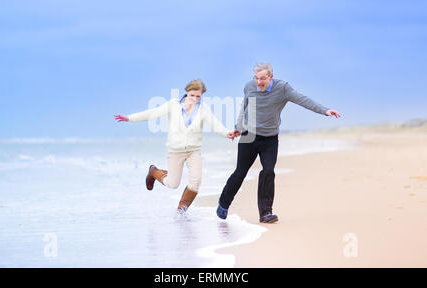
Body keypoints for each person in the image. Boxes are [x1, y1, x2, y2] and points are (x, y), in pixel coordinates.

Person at [216, 62, 341, 223]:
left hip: (270, 138)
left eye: (263, 79)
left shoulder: (282, 88)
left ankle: (266, 213)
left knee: (268, 171)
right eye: (256, 78)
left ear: (271, 77)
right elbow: (244, 107)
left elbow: (303, 99)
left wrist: (324, 110)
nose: (259, 82)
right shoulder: (249, 87)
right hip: (249, 136)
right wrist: (238, 128)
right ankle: (223, 203)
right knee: (240, 172)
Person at [115, 79, 236, 215]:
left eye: (198, 96)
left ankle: (181, 213)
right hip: (175, 151)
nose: (195, 99)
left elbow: (215, 124)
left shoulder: (203, 109)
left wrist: (227, 133)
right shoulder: (173, 105)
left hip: (193, 151)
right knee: (172, 184)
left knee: (196, 181)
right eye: (192, 95)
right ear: (186, 92)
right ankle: (154, 171)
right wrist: (129, 118)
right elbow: (152, 113)